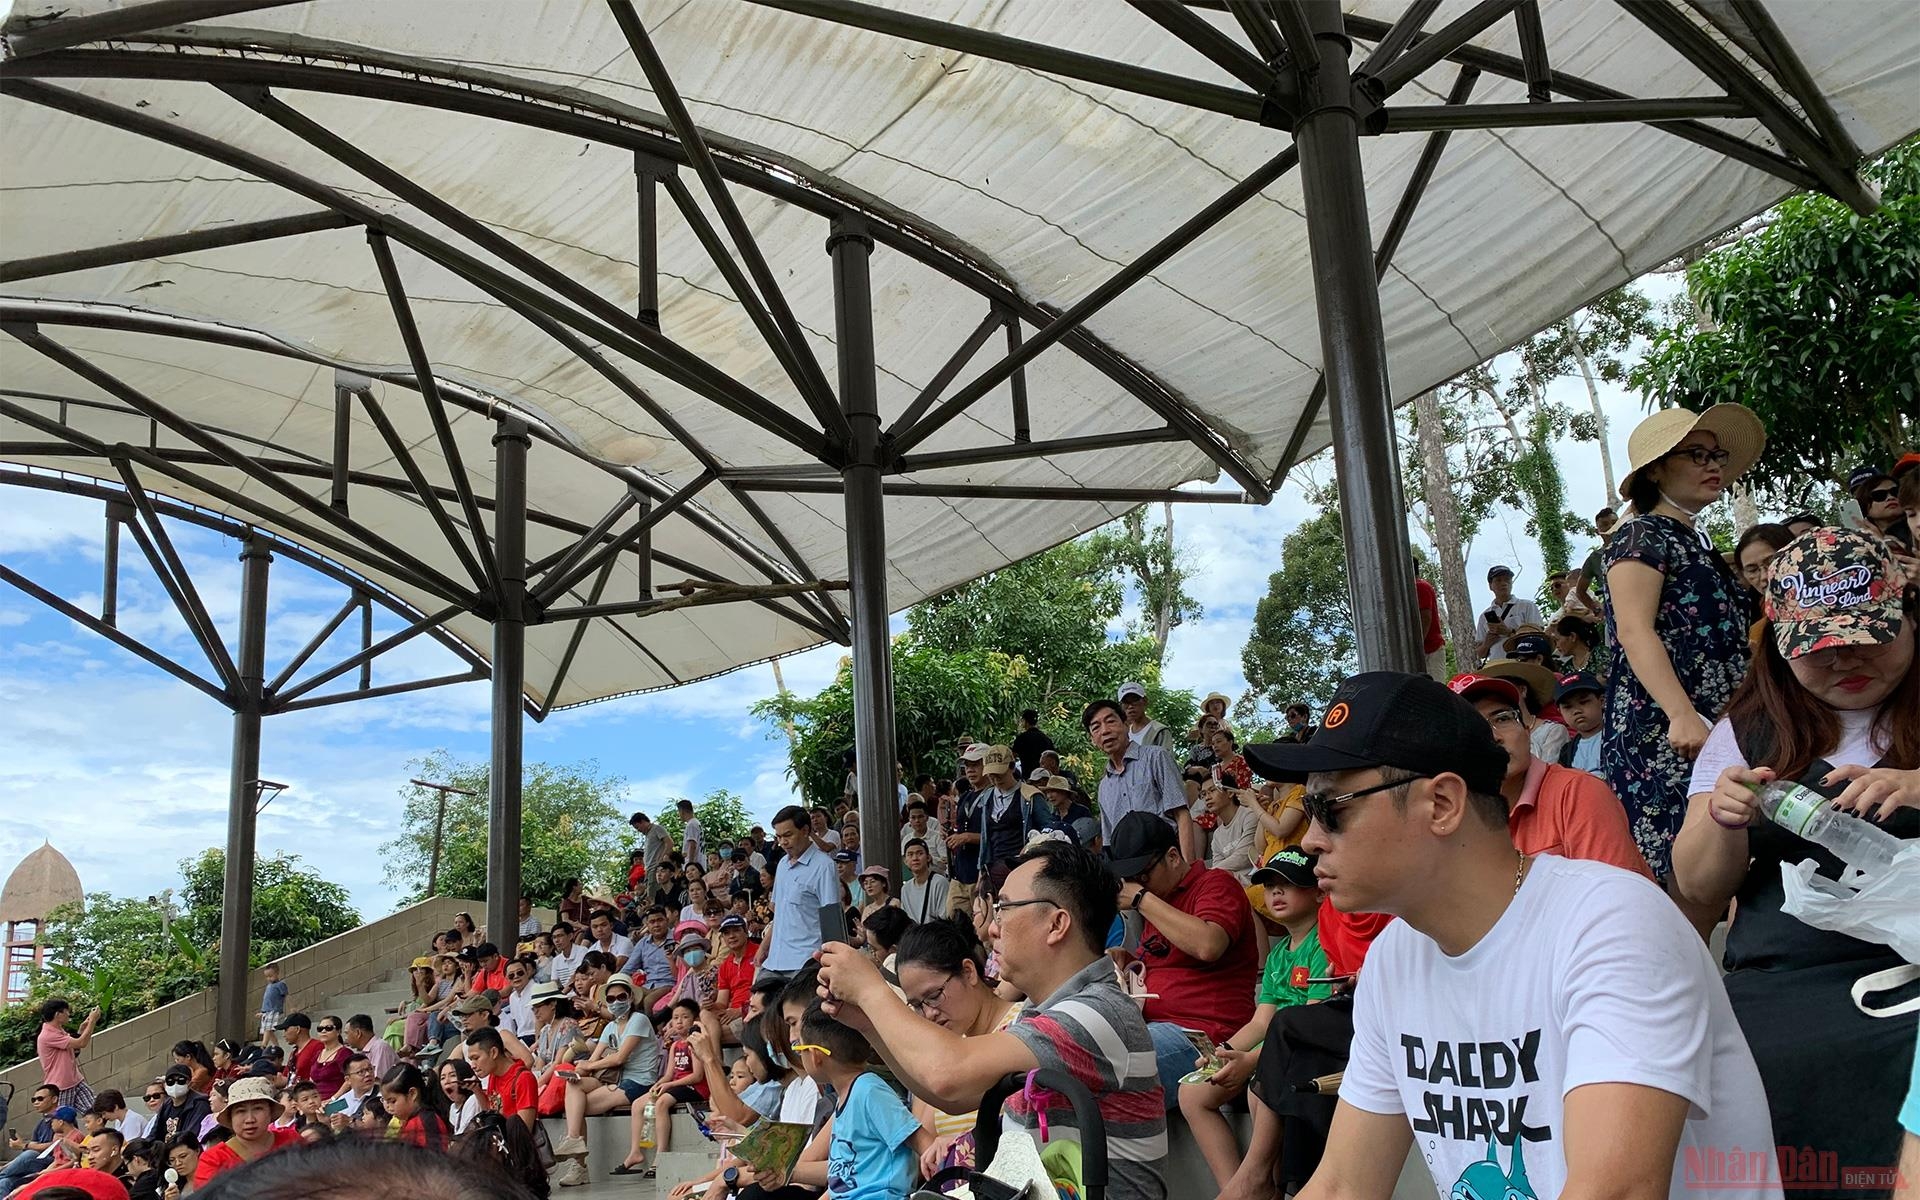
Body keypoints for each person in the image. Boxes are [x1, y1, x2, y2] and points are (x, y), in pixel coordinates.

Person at [1216, 670, 1777, 1200]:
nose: (1309, 839)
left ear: (1441, 804)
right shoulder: (1395, 955)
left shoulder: (1611, 921)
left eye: (1329, 808)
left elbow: (1614, 1190)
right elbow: (1342, 1184)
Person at [1674, 527, 1918, 1197]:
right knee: (1740, 1054)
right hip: (1785, 979)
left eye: (1868, 635)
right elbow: (1696, 887)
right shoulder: (1749, 730)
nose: (1846, 659)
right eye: (1820, 647)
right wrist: (1724, 820)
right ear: (1781, 649)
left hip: (1908, 972)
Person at [815, 841, 1167, 1200]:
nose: (992, 929)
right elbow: (952, 1096)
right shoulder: (1044, 1013)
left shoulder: (1097, 1012)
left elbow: (948, 1076)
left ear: (1057, 923)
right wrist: (866, 1023)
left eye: (1004, 910)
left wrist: (872, 991)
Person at [1603, 403, 1764, 880]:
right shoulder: (1641, 534)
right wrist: (1678, 713)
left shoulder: (1695, 539)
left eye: (1717, 455)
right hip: (1666, 728)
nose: (1714, 465)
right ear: (1656, 470)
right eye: (1697, 454)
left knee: (1732, 850)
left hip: (1719, 720)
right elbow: (1634, 630)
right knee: (1683, 866)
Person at [1180, 848, 1332, 1188]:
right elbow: (1261, 1022)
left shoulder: (1326, 944)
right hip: (1268, 1047)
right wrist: (1223, 1052)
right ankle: (1233, 1183)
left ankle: (1261, 1184)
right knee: (1191, 1093)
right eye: (1269, 885)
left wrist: (1249, 1061)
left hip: (1301, 1053)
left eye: (1288, 884)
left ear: (1319, 892)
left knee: (1259, 1086)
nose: (1275, 892)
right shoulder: (1279, 954)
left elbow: (1309, 1026)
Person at [1104, 810, 1261, 1103]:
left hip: (1206, 1037)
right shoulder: (1159, 899)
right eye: (1128, 879)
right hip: (1153, 1028)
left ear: (1173, 857)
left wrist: (1142, 899)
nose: (1136, 885)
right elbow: (1165, 961)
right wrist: (1127, 961)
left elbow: (1208, 945)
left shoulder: (1216, 884)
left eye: (1142, 875)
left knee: (1113, 1063)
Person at [1447, 673, 1652, 878]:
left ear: (1527, 730)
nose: (1494, 737)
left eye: (1502, 718)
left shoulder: (1576, 792)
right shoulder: (1453, 818)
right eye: (1472, 728)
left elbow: (1613, 897)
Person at [791, 999, 930, 1200]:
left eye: (799, 1048)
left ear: (815, 1055)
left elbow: (922, 1142)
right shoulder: (846, 1097)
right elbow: (847, 1175)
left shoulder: (868, 1090)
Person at [550, 971, 659, 1186]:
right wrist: (579, 1069)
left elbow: (619, 1058)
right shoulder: (609, 1026)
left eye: (621, 997)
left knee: (575, 1107)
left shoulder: (639, 1019)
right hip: (615, 1080)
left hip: (639, 1082)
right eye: (610, 999)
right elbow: (595, 1058)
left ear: (630, 998)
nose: (616, 1002)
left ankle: (579, 1163)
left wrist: (588, 1065)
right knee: (574, 1087)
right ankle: (574, 1142)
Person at [1086, 697, 1196, 861]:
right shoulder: (1104, 787)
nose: (1104, 731)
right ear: (1093, 740)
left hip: (1167, 858)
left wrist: (1189, 867)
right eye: (1096, 728)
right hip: (1132, 869)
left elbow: (1181, 814)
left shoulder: (1156, 757)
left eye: (1110, 721)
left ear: (1125, 725)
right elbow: (1110, 842)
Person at [755, 805, 842, 986]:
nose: (782, 842)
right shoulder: (782, 865)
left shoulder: (824, 866)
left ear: (805, 831)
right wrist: (764, 946)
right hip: (774, 960)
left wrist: (833, 965)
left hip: (805, 963)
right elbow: (779, 913)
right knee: (759, 1008)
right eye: (778, 837)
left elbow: (831, 921)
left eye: (787, 835)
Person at [190, 1077, 300, 1186]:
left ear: (270, 1112)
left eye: (258, 1109)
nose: (250, 1120)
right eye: (240, 1111)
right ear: (230, 1117)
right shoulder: (213, 1159)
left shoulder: (292, 1141)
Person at [972, 745, 1051, 890]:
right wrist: (981, 874)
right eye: (991, 776)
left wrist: (1030, 848)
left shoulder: (1030, 796)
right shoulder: (986, 797)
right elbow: (985, 839)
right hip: (993, 868)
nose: (996, 780)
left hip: (1022, 867)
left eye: (999, 774)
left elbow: (1049, 830)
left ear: (1012, 767)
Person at [945, 742, 988, 917]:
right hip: (960, 874)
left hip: (983, 873)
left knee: (984, 933)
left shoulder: (996, 796)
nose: (970, 769)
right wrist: (952, 835)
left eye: (976, 764)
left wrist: (968, 837)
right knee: (953, 924)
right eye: (967, 765)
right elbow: (961, 829)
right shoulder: (965, 797)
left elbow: (998, 835)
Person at [36, 999, 101, 1111]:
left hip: (76, 1081)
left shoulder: (58, 1030)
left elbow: (74, 1048)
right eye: (66, 1011)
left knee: (95, 1112)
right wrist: (92, 1022)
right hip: (61, 1087)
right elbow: (81, 1043)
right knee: (63, 1121)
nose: (69, 1014)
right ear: (57, 1014)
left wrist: (81, 1030)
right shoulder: (48, 1035)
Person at [1473, 565, 1544, 664]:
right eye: (1498, 580)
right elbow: (1479, 654)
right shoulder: (1484, 616)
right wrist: (1487, 644)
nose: (1504, 583)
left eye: (1507, 579)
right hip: (1496, 666)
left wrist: (1508, 632)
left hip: (1523, 664)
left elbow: (1538, 638)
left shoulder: (1527, 606)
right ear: (1490, 586)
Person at [379, 1062, 452, 1151]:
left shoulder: (426, 1123)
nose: (388, 1107)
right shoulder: (407, 1121)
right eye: (385, 1101)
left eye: (393, 1101)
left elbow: (432, 1160)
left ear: (412, 1094)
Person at [0, 1084, 61, 1191]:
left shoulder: (62, 1119)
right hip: (34, 1163)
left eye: (40, 1099)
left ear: (54, 1099)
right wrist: (7, 1165)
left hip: (52, 1162)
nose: (36, 1102)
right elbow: (31, 1147)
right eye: (33, 1100)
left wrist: (24, 1145)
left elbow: (58, 1143)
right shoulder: (41, 1123)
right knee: (4, 1182)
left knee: (30, 1154)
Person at [1200, 774, 1261, 879]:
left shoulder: (1249, 815)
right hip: (1230, 883)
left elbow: (1244, 856)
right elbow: (1217, 866)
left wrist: (1208, 873)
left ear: (1230, 793)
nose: (1207, 798)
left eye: (1212, 790)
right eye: (1204, 794)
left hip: (1254, 881)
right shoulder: (1217, 835)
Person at [1553, 671, 1607, 778]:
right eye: (1568, 707)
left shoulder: (1621, 736)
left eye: (1583, 702)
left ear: (1602, 701)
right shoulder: (1566, 752)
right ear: (1560, 712)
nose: (1576, 711)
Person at [1570, 504, 1620, 615]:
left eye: (1614, 522)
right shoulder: (1595, 558)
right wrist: (1597, 609)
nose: (1611, 527)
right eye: (1605, 525)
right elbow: (1580, 591)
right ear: (1597, 531)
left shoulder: (1635, 546)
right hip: (1614, 615)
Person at [149, 1067, 210, 1146]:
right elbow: (153, 1134)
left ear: (190, 1084)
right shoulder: (166, 1105)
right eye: (170, 1082)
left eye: (181, 1081)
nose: (175, 1085)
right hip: (163, 1152)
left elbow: (190, 1136)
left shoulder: (200, 1104)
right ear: (165, 1085)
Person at [897, 838, 951, 924]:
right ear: (905, 861)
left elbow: (944, 918)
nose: (915, 858)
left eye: (920, 853)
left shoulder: (940, 882)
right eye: (910, 854)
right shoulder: (905, 889)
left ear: (928, 857)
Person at [1036, 774, 1097, 847]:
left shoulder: (1081, 811)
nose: (1050, 796)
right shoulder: (1053, 816)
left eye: (1053, 791)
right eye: (1047, 792)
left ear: (1064, 792)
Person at [1547, 612, 1608, 683]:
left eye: (1557, 640)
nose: (1557, 646)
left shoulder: (1600, 653)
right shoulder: (1566, 668)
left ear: (1572, 636)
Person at [1117, 681, 1175, 750]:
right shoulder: (1123, 733)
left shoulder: (1159, 731)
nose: (1130, 706)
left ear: (1145, 701)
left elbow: (1166, 759)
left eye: (1134, 700)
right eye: (1126, 702)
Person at [898, 798, 948, 872]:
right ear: (909, 819)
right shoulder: (906, 839)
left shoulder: (938, 837)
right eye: (913, 817)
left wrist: (931, 859)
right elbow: (904, 862)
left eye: (920, 817)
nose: (917, 821)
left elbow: (946, 864)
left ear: (927, 818)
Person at [1415, 570, 1448, 680]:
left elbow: (1425, 617)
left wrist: (1417, 647)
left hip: (1431, 649)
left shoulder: (1420, 586)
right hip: (1424, 651)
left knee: (1433, 689)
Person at [341, 1014, 396, 1080]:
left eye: (347, 1033)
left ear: (358, 1033)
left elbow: (378, 1081)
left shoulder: (380, 1047)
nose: (345, 1038)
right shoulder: (364, 1051)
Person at [437, 1060, 482, 1136]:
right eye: (443, 1078)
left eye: (452, 1075)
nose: (447, 1081)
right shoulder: (453, 1108)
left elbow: (465, 1136)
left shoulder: (473, 1100)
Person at [1011, 708, 1055, 779]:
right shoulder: (1046, 739)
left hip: (1027, 777)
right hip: (1044, 778)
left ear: (1025, 721)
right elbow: (1052, 757)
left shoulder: (1021, 738)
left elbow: (1012, 756)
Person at [254, 963, 286, 1051]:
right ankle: (277, 1046)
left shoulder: (280, 985)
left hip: (273, 1010)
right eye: (267, 977)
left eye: (271, 976)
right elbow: (267, 1000)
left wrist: (291, 1007)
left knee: (268, 1028)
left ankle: (264, 1044)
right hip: (266, 1010)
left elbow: (287, 995)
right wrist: (262, 1012)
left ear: (277, 973)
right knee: (268, 1030)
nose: (269, 978)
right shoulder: (269, 986)